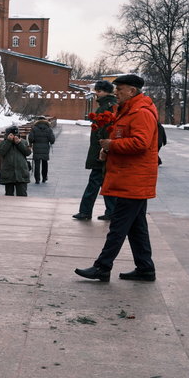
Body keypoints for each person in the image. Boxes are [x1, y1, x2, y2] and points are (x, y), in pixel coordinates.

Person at [75, 73, 159, 282]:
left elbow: (141, 143)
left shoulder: (141, 112)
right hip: (131, 177)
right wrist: (109, 150)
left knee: (119, 226)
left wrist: (112, 145)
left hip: (134, 180)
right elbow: (125, 137)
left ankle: (102, 267)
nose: (116, 94)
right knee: (137, 227)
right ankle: (145, 268)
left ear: (132, 91)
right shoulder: (129, 110)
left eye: (119, 90)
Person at [73, 80, 117, 220]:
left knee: (94, 182)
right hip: (103, 150)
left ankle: (86, 211)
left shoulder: (106, 107)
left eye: (99, 91)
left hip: (102, 151)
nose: (96, 94)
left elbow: (104, 131)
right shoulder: (110, 105)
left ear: (106, 92)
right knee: (105, 181)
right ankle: (111, 211)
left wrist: (103, 150)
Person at [0, 125, 32, 196]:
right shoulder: (3, 143)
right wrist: (8, 141)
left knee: (22, 195)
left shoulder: (23, 142)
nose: (14, 136)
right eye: (12, 134)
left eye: (15, 134)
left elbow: (28, 152)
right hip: (8, 173)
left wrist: (19, 143)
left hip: (21, 173)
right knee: (9, 195)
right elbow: (1, 152)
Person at [28, 116, 56, 183]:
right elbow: (52, 140)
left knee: (37, 163)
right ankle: (44, 177)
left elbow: (31, 138)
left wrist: (32, 143)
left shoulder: (34, 128)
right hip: (45, 149)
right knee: (45, 163)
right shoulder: (49, 129)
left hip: (36, 148)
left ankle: (37, 179)